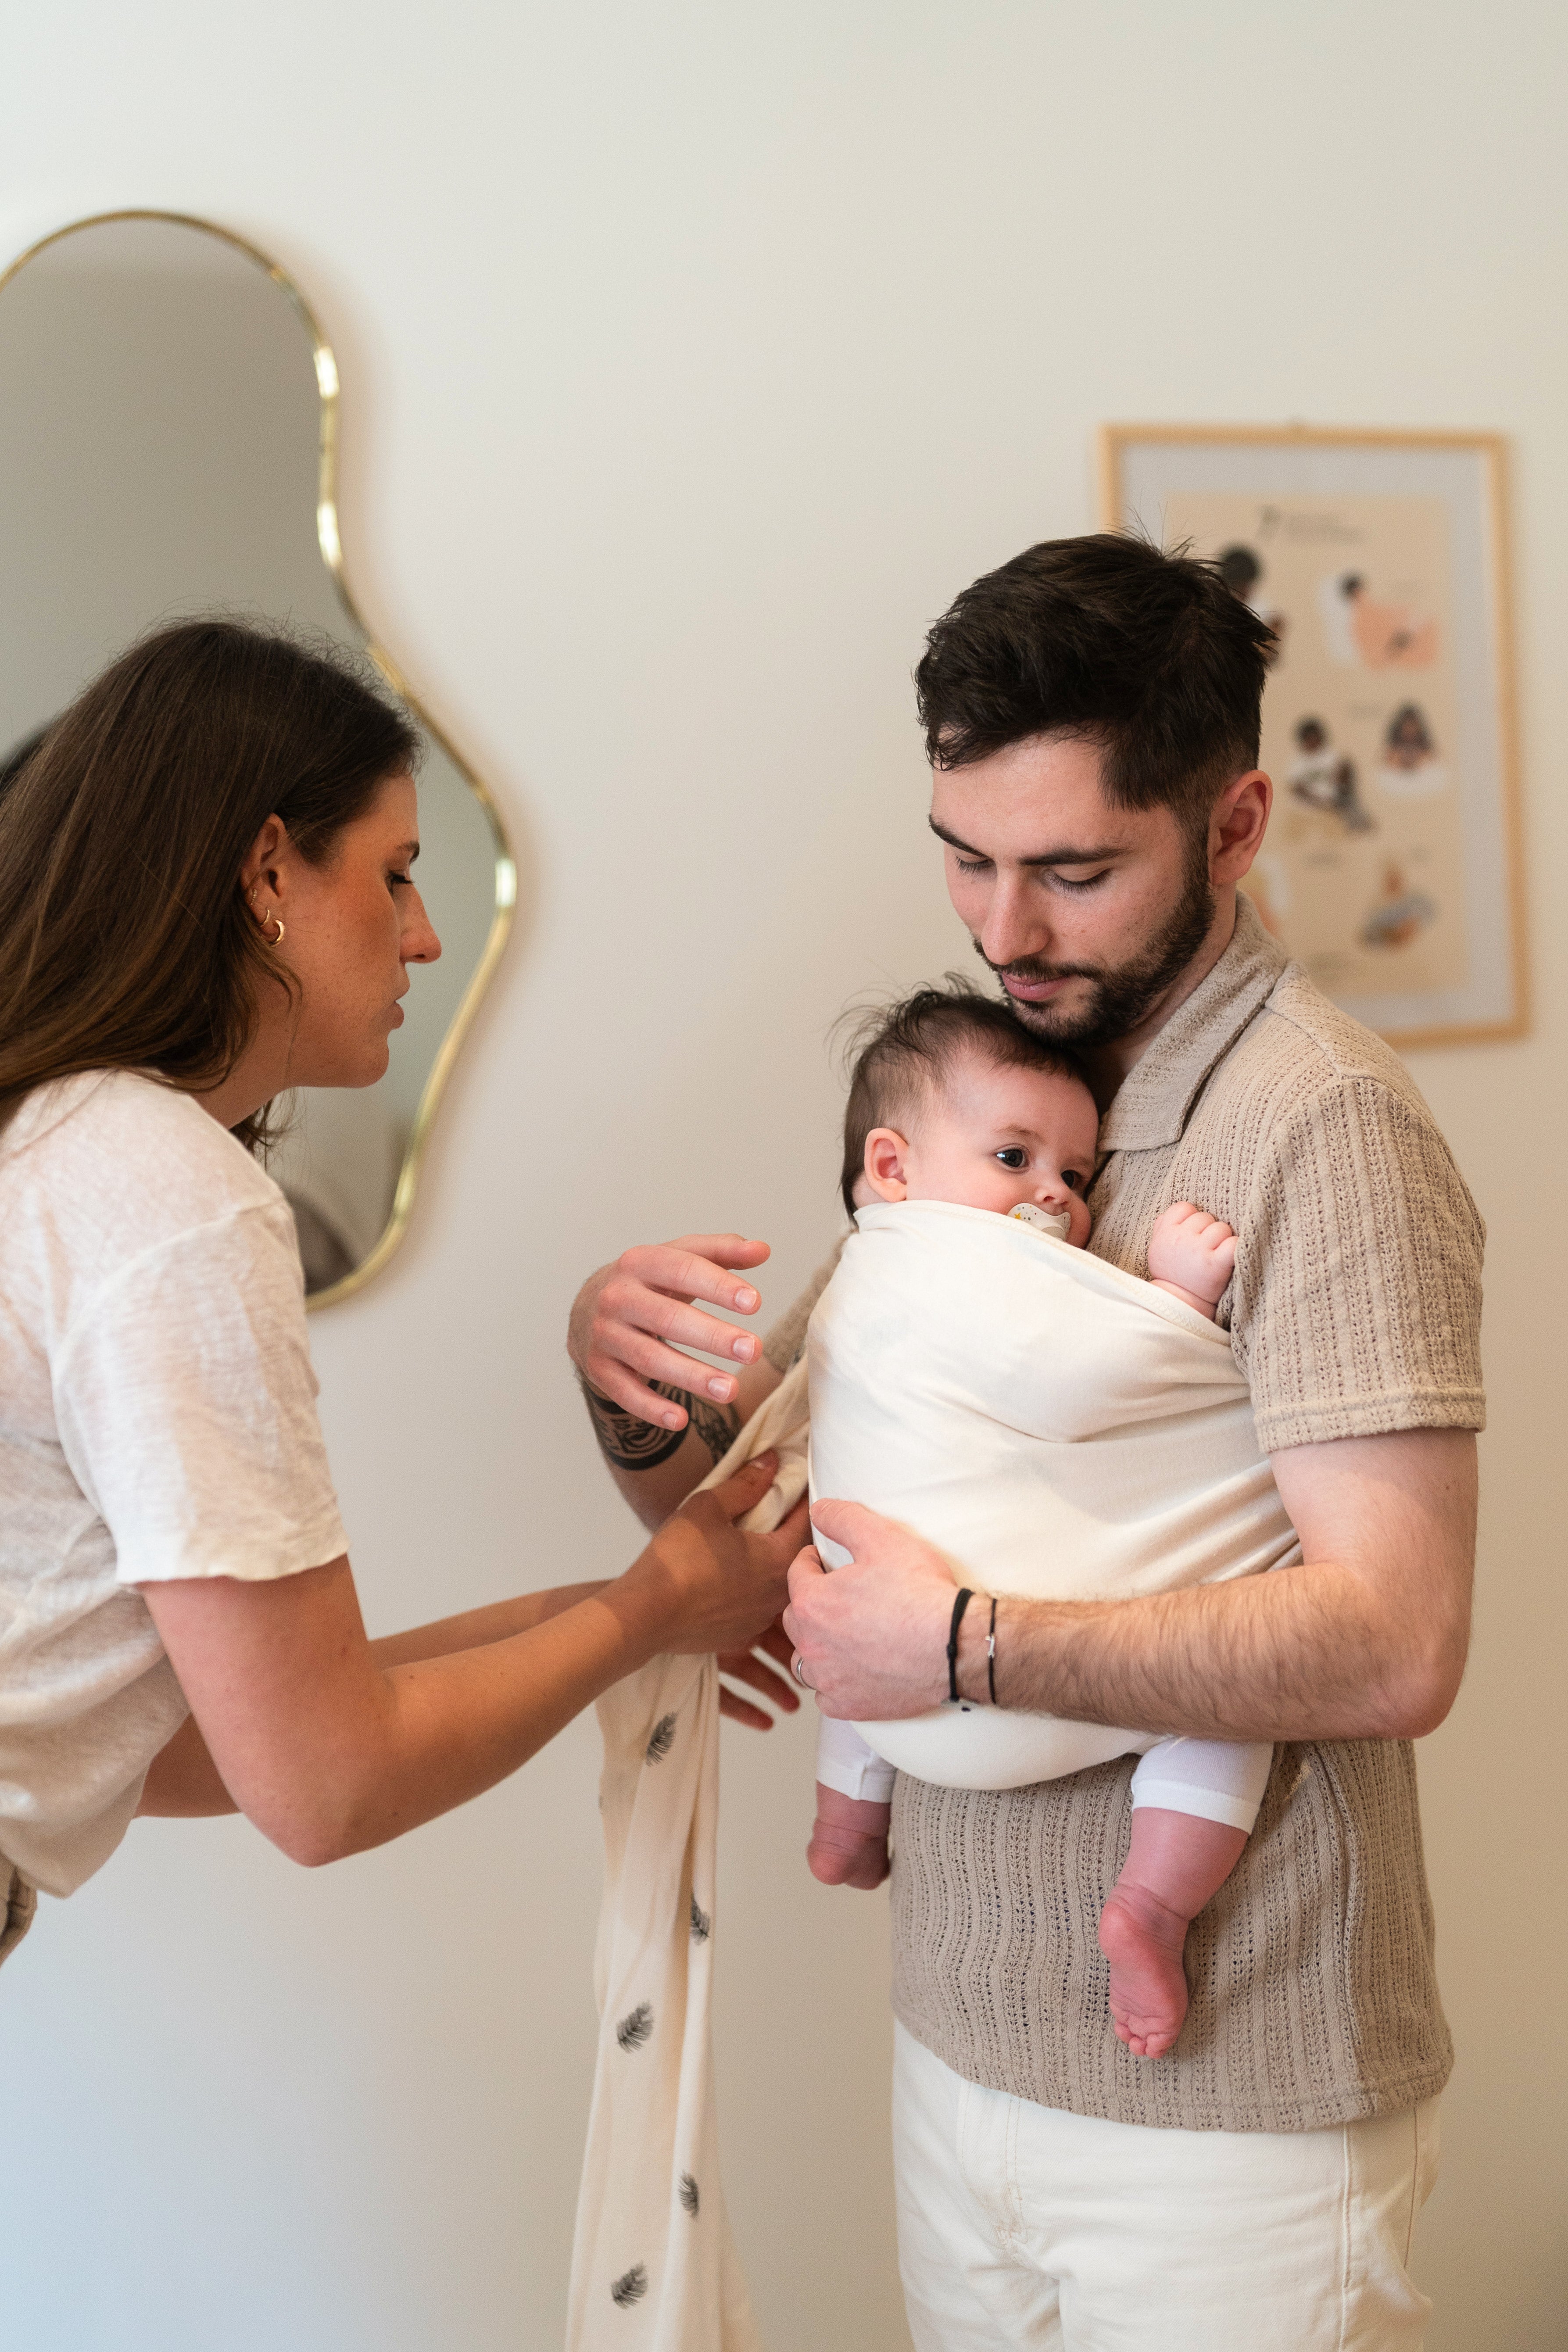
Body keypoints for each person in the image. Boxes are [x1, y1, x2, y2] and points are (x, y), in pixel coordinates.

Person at [569, 534, 1481, 2348]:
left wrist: (965, 1644)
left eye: (1069, 869)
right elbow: (782, 1522)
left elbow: (1394, 1639)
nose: (1003, 927)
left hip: (1234, 2102)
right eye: (964, 859)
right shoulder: (987, 1091)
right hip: (960, 2041)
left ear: (1227, 829)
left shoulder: (1320, 1126)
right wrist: (622, 1390)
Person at [0, 618, 804, 1959]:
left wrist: (620, 1614)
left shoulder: (56, 1143)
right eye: (398, 874)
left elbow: (171, 1748)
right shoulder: (166, 1194)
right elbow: (327, 1787)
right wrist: (656, 1603)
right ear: (268, 869)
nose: (424, 937)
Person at [803, 984, 1274, 2064]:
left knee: (844, 1572)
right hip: (1012, 1692)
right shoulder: (944, 1261)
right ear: (893, 1169)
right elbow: (1075, 1379)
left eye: (1074, 1173)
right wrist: (1173, 1301)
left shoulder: (852, 1282)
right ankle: (1153, 1902)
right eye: (1012, 1158)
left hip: (888, 1700)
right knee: (1231, 1646)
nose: (1053, 1199)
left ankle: (847, 1814)